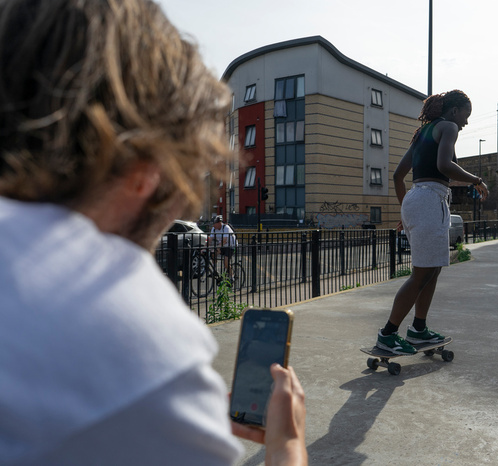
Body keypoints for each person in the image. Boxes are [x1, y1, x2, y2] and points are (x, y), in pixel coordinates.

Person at [0, 1, 307, 465]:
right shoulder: (132, 341)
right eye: (188, 168)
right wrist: (287, 443)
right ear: (147, 167)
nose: (186, 200)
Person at [375, 90, 489, 355]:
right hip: (430, 200)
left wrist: (405, 213)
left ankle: (418, 329)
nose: (466, 122)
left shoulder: (422, 133)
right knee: (421, 274)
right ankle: (388, 334)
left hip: (416, 200)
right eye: (466, 115)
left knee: (432, 270)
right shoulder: (448, 127)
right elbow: (444, 165)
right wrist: (476, 180)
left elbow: (397, 176)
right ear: (454, 111)